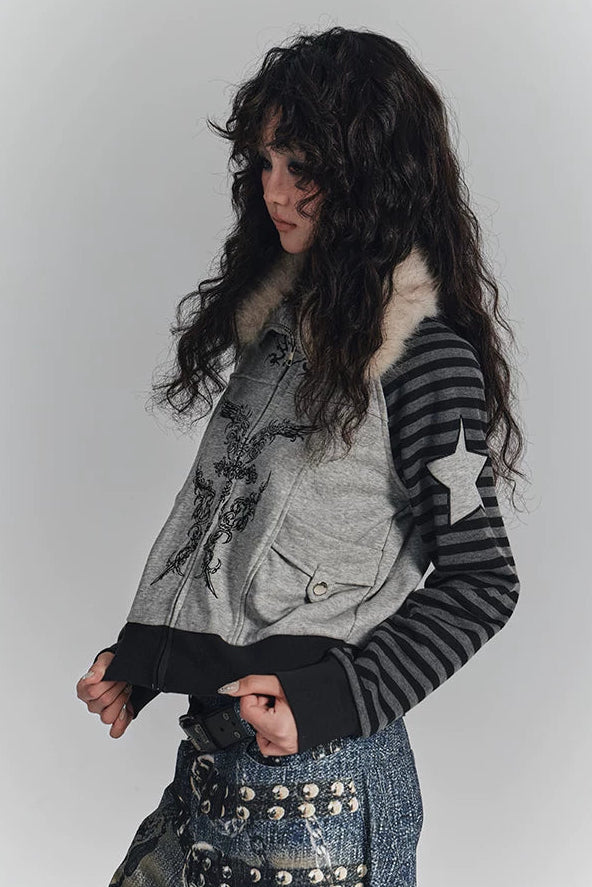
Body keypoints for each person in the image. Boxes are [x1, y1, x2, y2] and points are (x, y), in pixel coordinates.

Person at [76, 26, 525, 887]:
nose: (275, 190)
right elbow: (239, 533)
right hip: (211, 780)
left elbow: (483, 580)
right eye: (266, 163)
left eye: (303, 167)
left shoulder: (425, 360)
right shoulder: (281, 337)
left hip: (326, 799)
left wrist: (327, 700)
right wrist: (149, 661)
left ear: (370, 177)